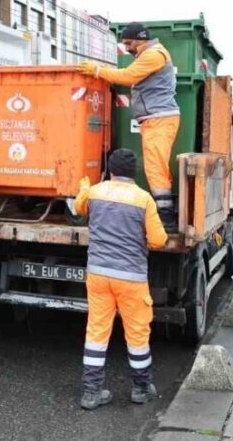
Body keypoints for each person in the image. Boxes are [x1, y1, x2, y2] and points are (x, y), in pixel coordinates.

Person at [73, 149, 168, 411]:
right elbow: (158, 240)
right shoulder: (143, 198)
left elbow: (78, 207)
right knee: (137, 333)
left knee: (96, 332)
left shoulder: (95, 191)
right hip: (131, 278)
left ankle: (91, 393)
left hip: (98, 274)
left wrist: (83, 188)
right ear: (134, 172)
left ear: (110, 170)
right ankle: (140, 388)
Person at [80, 23, 180, 228]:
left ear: (140, 39)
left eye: (128, 43)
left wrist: (98, 70)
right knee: (157, 166)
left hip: (159, 118)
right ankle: (165, 213)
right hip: (155, 118)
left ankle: (166, 219)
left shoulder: (154, 54)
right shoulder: (148, 55)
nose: (126, 48)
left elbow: (127, 77)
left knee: (154, 167)